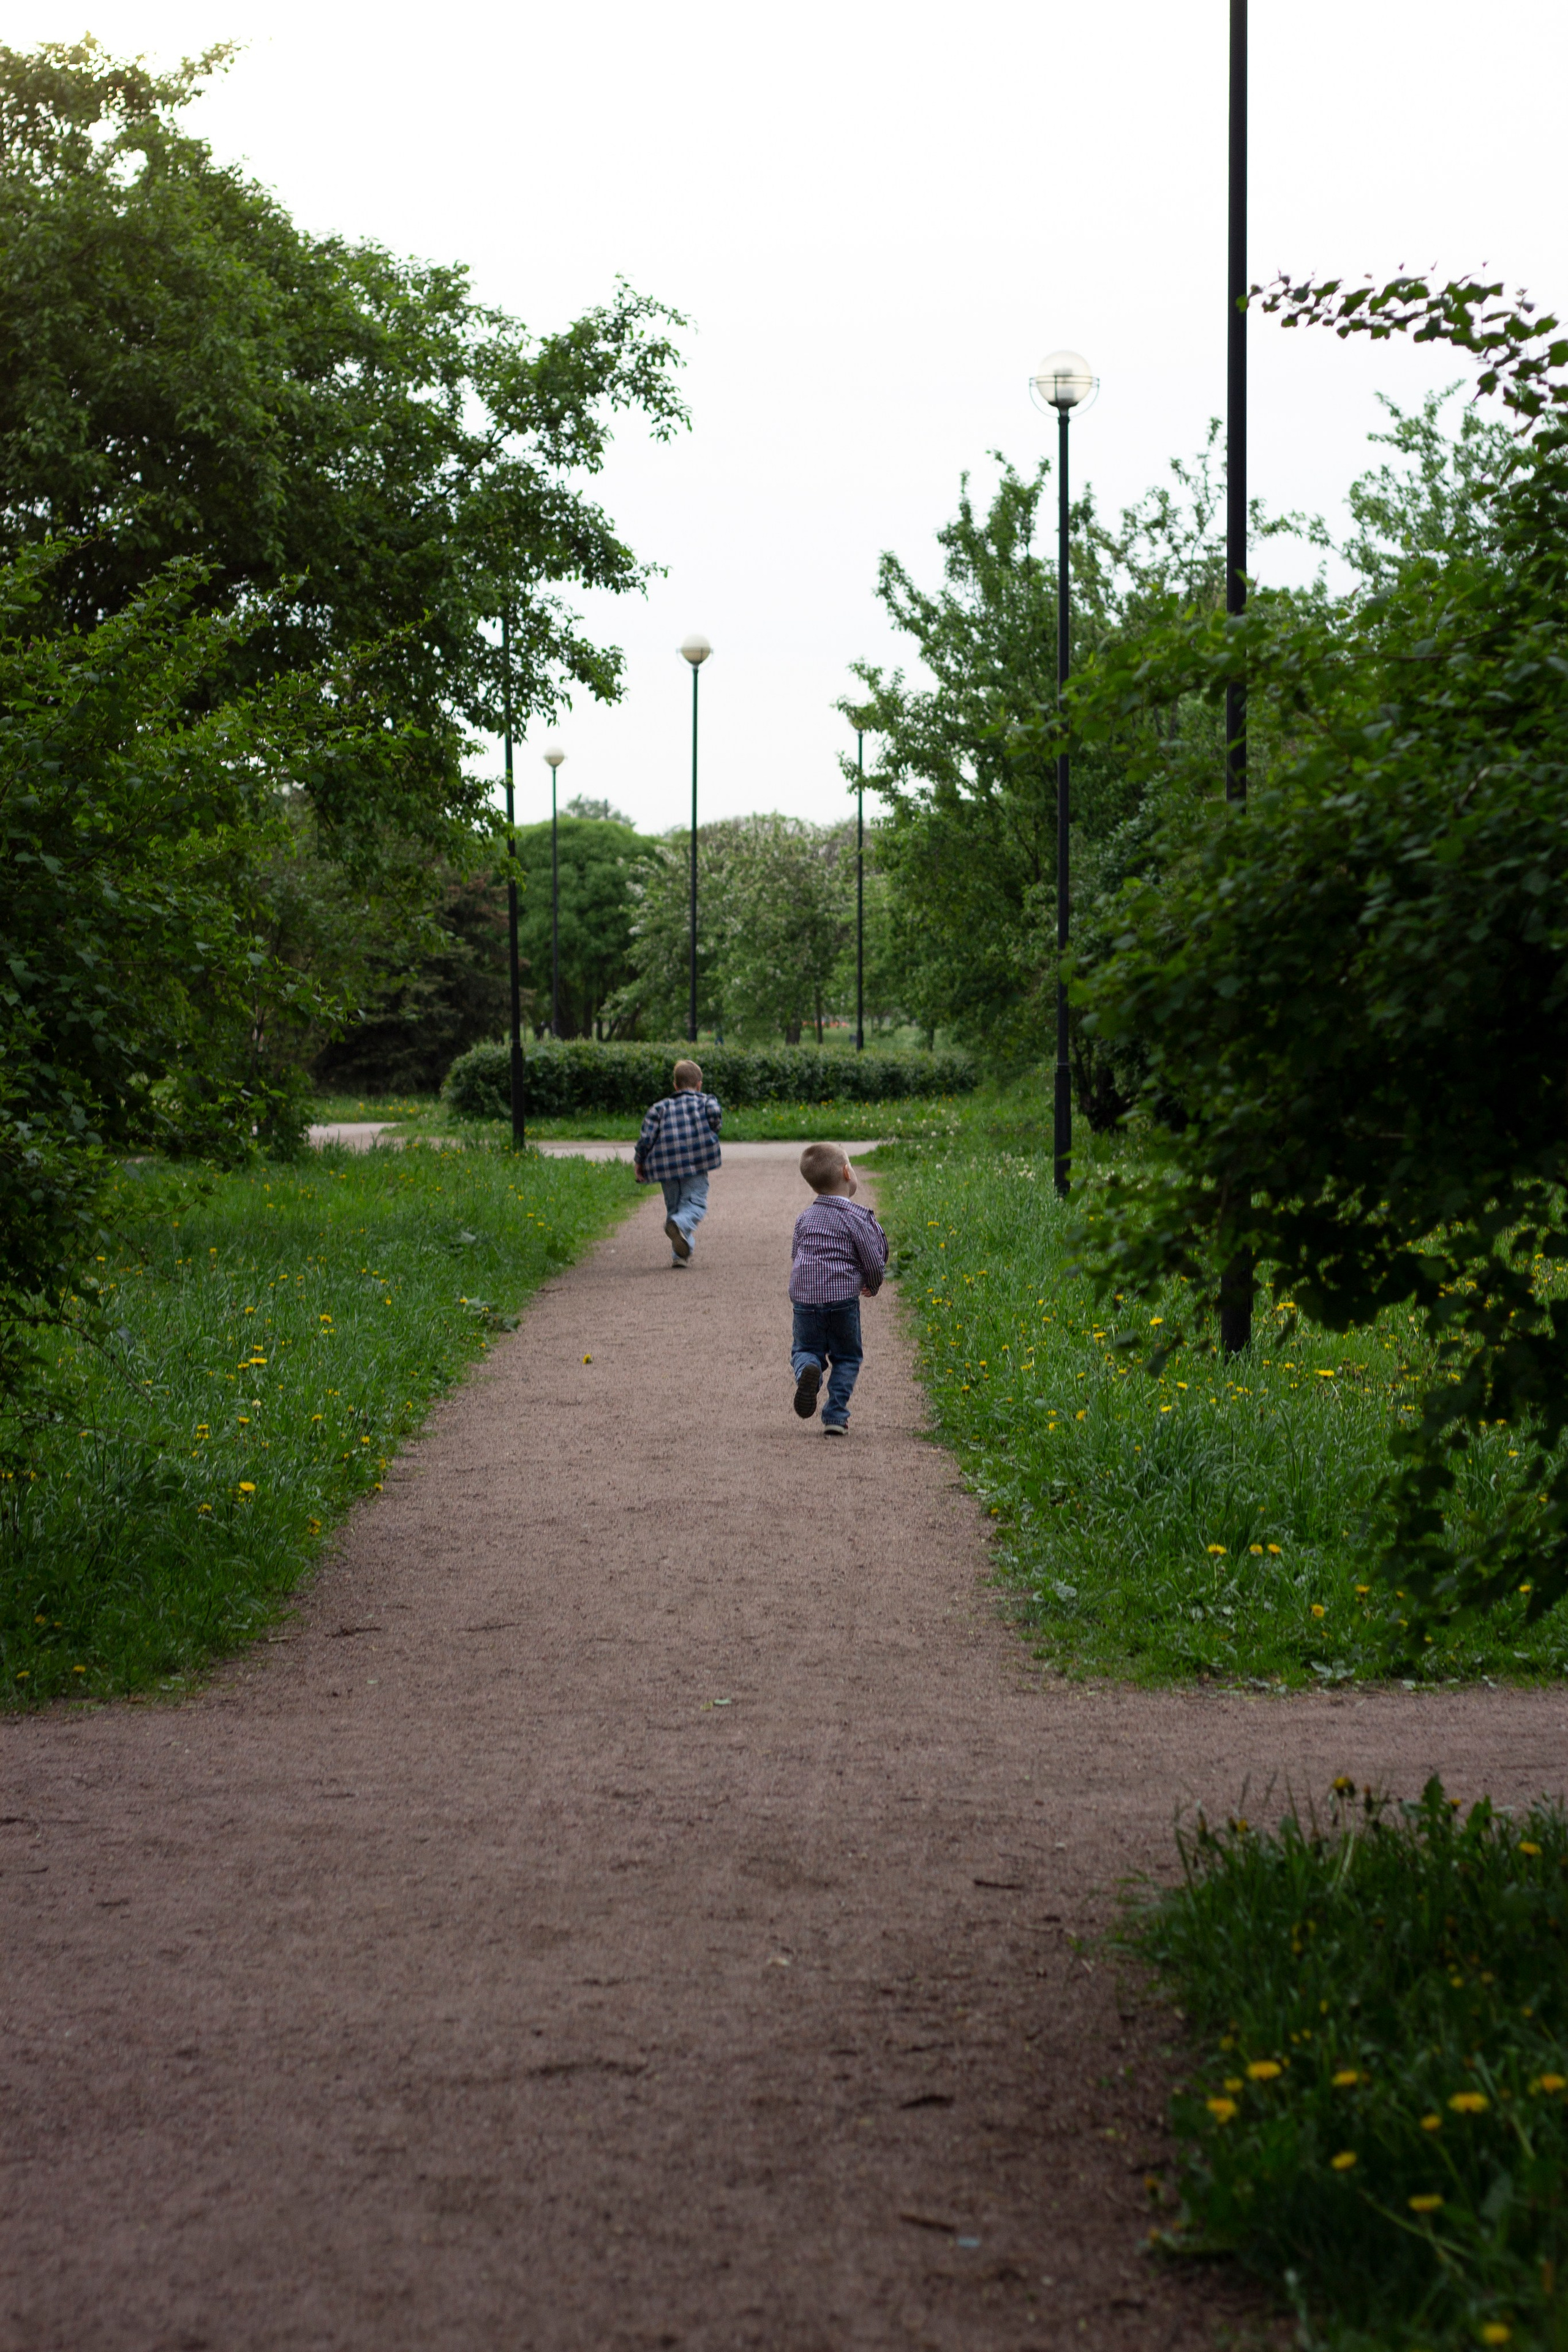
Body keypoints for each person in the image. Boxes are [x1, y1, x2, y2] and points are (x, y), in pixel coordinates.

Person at [789, 1142, 888, 1434]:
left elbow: (797, 1255)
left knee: (805, 1348)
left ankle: (809, 1371)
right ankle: (835, 1415)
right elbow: (873, 1258)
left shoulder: (805, 1218)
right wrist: (873, 1284)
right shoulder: (857, 1217)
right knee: (847, 1357)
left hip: (806, 1300)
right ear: (847, 1172)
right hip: (842, 1300)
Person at [633, 1058, 723, 1266]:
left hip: (667, 1167)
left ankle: (680, 1255)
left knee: (675, 1207)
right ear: (699, 1085)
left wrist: (640, 1161)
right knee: (694, 1204)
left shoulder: (659, 1108)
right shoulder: (706, 1102)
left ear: (675, 1086)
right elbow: (716, 1118)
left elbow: (646, 1138)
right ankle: (679, 1227)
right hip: (696, 1163)